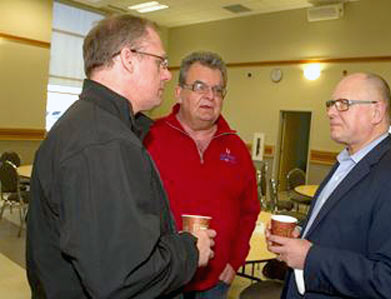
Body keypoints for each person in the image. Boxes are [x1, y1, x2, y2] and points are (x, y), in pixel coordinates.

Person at [26, 15, 216, 299]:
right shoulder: (103, 144)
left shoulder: (90, 126)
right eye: (160, 62)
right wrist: (190, 249)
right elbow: (123, 278)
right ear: (129, 58)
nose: (166, 74)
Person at [266, 72, 391, 298]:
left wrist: (310, 258)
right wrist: (299, 233)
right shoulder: (345, 162)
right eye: (331, 104)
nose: (330, 112)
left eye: (343, 104)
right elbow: (339, 227)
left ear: (376, 112)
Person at [144, 51, 260, 298]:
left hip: (215, 282)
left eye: (218, 90)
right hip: (161, 278)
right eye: (200, 87)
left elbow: (249, 210)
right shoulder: (149, 138)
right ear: (178, 92)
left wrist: (235, 262)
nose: (210, 96)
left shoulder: (236, 147)